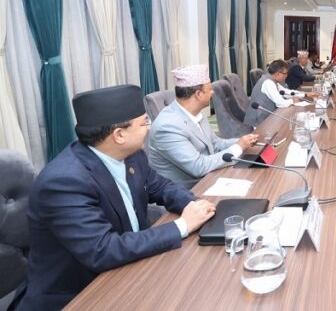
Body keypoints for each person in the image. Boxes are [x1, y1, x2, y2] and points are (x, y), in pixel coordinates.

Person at [14, 85, 215, 311]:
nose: (149, 128)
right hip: (79, 295)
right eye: (144, 123)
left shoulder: (131, 155)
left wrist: (194, 204)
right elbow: (102, 249)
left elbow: (161, 186)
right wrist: (183, 225)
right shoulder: (63, 182)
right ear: (119, 135)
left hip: (130, 270)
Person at [147, 65, 259, 186]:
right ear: (199, 94)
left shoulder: (196, 113)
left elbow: (215, 144)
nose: (212, 92)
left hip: (209, 177)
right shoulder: (167, 127)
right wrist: (238, 147)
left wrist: (242, 141)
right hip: (188, 189)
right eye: (210, 89)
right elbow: (198, 167)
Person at [244, 59, 318, 127]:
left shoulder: (273, 80)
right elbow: (280, 103)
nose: (286, 76)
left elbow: (287, 92)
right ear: (277, 73)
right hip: (259, 121)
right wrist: (293, 100)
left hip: (268, 116)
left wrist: (306, 94)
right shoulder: (268, 83)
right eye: (285, 74)